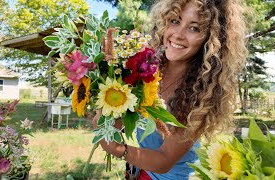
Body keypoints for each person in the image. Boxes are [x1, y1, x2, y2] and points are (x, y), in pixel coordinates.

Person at [92, 0, 248, 179]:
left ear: (210, 39)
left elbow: (164, 161)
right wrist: (108, 116)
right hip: (143, 169)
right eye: (175, 21)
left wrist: (116, 148)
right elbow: (126, 119)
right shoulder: (145, 67)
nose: (178, 34)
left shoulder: (201, 92)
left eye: (194, 28)